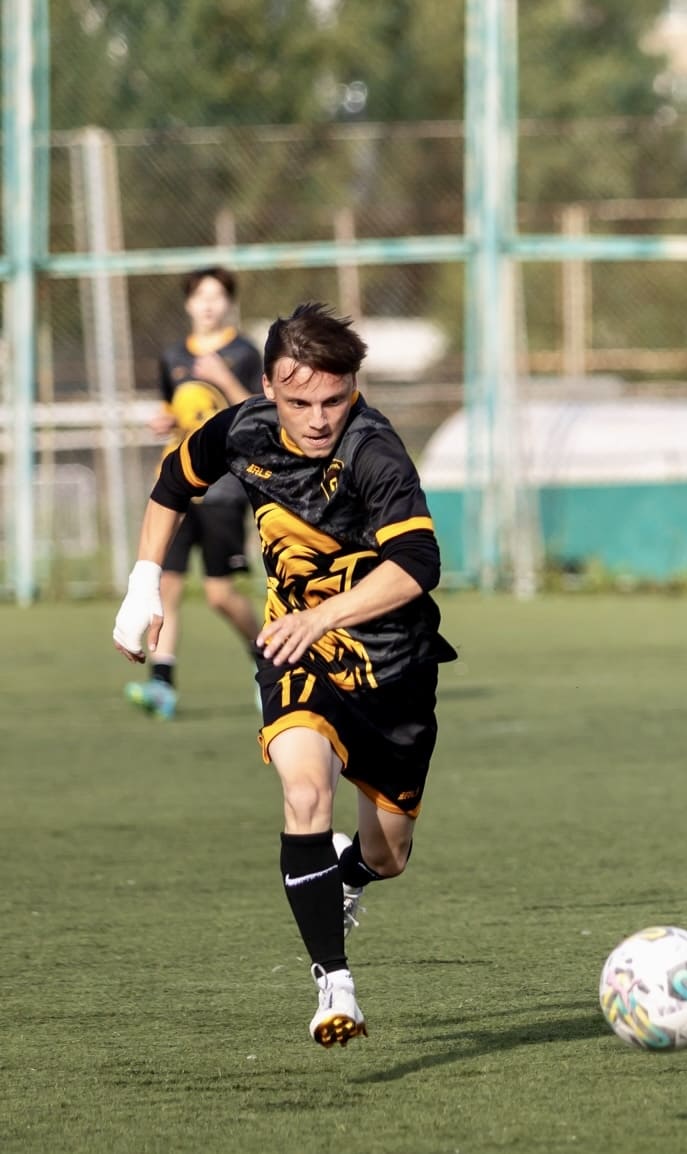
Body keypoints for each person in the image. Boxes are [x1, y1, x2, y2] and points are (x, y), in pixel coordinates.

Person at [112, 303, 457, 1047]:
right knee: (305, 792)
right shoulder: (243, 428)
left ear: (354, 386)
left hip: (393, 669)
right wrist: (143, 586)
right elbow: (174, 481)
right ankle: (336, 988)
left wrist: (325, 616)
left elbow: (418, 563)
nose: (319, 418)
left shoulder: (374, 451)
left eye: (334, 399)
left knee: (388, 854)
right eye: (300, 401)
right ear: (268, 386)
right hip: (294, 649)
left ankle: (348, 878)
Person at [125, 267, 272, 719]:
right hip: (177, 488)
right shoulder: (173, 356)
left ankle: (269, 662)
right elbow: (180, 408)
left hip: (223, 490)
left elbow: (259, 412)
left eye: (217, 295)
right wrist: (167, 421)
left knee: (219, 595)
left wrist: (223, 377)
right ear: (188, 303)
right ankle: (162, 684)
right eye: (200, 296)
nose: (208, 304)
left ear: (229, 303)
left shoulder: (244, 353)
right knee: (165, 585)